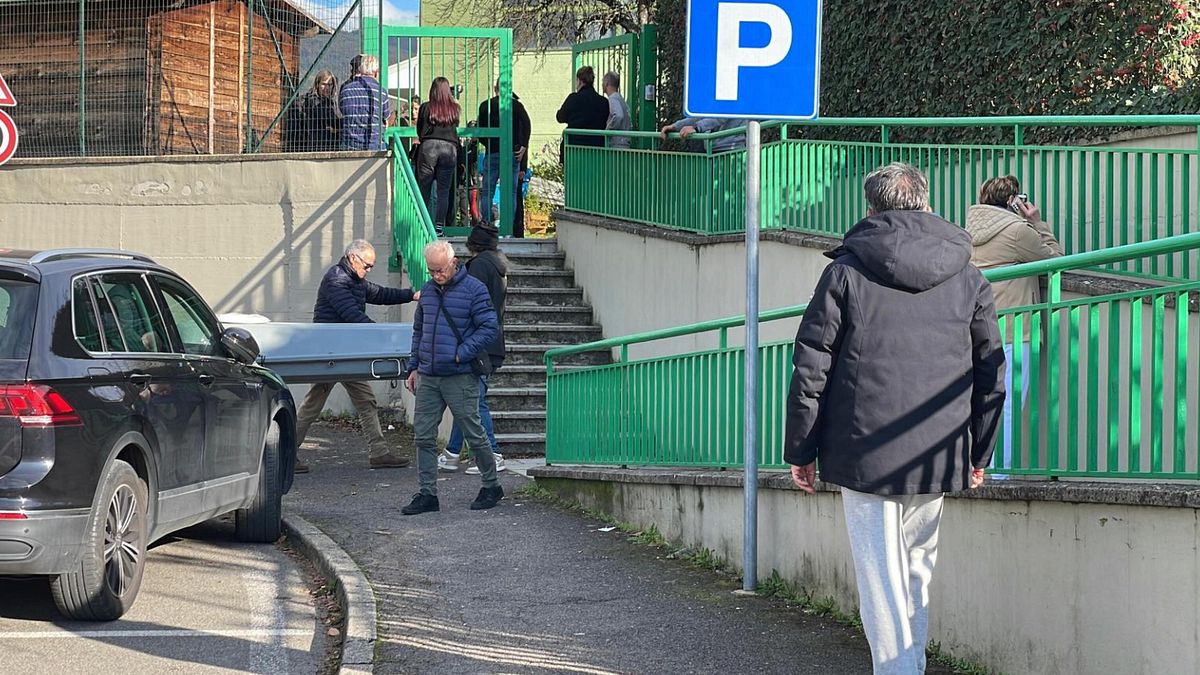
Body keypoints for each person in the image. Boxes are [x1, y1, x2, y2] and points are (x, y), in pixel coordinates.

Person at [784, 163, 1006, 674]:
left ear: (871, 208)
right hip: (938, 448)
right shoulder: (967, 275)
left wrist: (801, 448)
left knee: (880, 583)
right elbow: (990, 369)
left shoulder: (845, 271)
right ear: (926, 202)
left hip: (864, 450)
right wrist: (980, 451)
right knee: (915, 574)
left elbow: (812, 363)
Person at [965, 176, 1063, 477]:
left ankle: (973, 469)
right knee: (1007, 406)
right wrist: (1038, 222)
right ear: (1012, 201)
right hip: (1015, 329)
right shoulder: (1018, 231)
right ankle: (998, 475)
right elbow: (1055, 259)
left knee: (978, 403)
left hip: (976, 329)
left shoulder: (965, 234)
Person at [294, 240, 420, 472]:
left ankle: (379, 453)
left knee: (365, 401)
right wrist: (384, 336)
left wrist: (411, 295)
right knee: (314, 404)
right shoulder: (336, 280)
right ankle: (285, 454)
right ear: (353, 258)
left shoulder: (354, 279)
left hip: (345, 352)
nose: (369, 270)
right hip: (330, 354)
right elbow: (352, 315)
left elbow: (380, 294)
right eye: (367, 265)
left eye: (372, 266)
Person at [402, 240, 503, 514]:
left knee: (474, 433)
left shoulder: (474, 289)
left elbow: (489, 327)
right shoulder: (428, 291)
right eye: (432, 271)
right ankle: (427, 494)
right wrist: (413, 367)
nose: (436, 276)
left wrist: (461, 353)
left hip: (460, 375)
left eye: (441, 270)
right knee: (423, 436)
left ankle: (491, 485)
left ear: (453, 263)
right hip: (429, 374)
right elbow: (419, 331)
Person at [439, 224, 508, 474]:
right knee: (467, 401)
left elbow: (468, 304)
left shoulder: (478, 267)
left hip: (478, 345)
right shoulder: (497, 266)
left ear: (471, 245)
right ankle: (452, 453)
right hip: (492, 342)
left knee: (474, 402)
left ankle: (492, 455)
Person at [476, 79, 533, 235]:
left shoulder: (486, 106)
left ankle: (486, 225)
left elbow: (479, 130)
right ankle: (508, 228)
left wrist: (489, 144)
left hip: (492, 152)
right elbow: (527, 125)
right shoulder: (516, 106)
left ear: (495, 89)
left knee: (487, 191)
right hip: (511, 153)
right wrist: (523, 145)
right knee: (511, 192)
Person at [415, 77, 461, 234]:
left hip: (429, 147)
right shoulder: (454, 109)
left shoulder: (426, 107)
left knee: (424, 187)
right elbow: (455, 126)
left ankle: (423, 224)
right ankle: (439, 227)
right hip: (449, 148)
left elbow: (420, 129)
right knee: (443, 191)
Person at [339, 54, 390, 151]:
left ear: (359, 70)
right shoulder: (381, 92)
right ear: (376, 73)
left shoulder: (346, 90)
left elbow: (343, 111)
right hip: (375, 146)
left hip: (350, 146)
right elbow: (386, 117)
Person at [556, 66, 609, 150]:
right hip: (596, 150)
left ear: (579, 81)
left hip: (573, 149)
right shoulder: (604, 102)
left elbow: (560, 117)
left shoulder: (573, 99)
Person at [287, 69, 339, 152]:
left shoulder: (329, 103)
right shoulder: (312, 101)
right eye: (323, 84)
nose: (327, 88)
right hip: (310, 145)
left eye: (330, 85)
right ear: (317, 84)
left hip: (320, 145)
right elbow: (329, 120)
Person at [660, 117, 746, 153]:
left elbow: (721, 116)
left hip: (732, 151)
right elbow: (701, 115)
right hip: (713, 150)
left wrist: (697, 127)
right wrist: (675, 126)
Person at [602, 71, 633, 149]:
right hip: (624, 142)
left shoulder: (612, 99)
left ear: (606, 83)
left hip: (616, 144)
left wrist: (608, 129)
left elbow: (619, 115)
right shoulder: (620, 99)